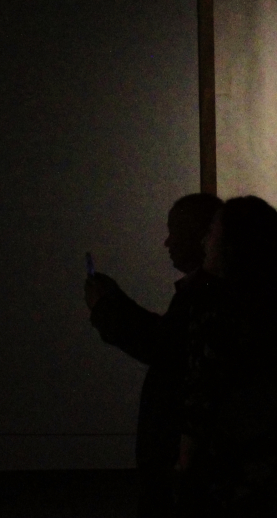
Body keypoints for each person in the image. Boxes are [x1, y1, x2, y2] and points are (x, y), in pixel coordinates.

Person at [84, 193, 222, 518]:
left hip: (178, 453)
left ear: (202, 236)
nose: (167, 243)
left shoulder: (203, 295)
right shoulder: (209, 293)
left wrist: (107, 307)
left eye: (175, 232)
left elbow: (163, 347)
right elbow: (166, 339)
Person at [177, 196, 277, 517]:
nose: (204, 241)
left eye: (212, 233)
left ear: (232, 245)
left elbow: (202, 394)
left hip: (230, 475)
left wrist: (185, 461)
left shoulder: (217, 312)